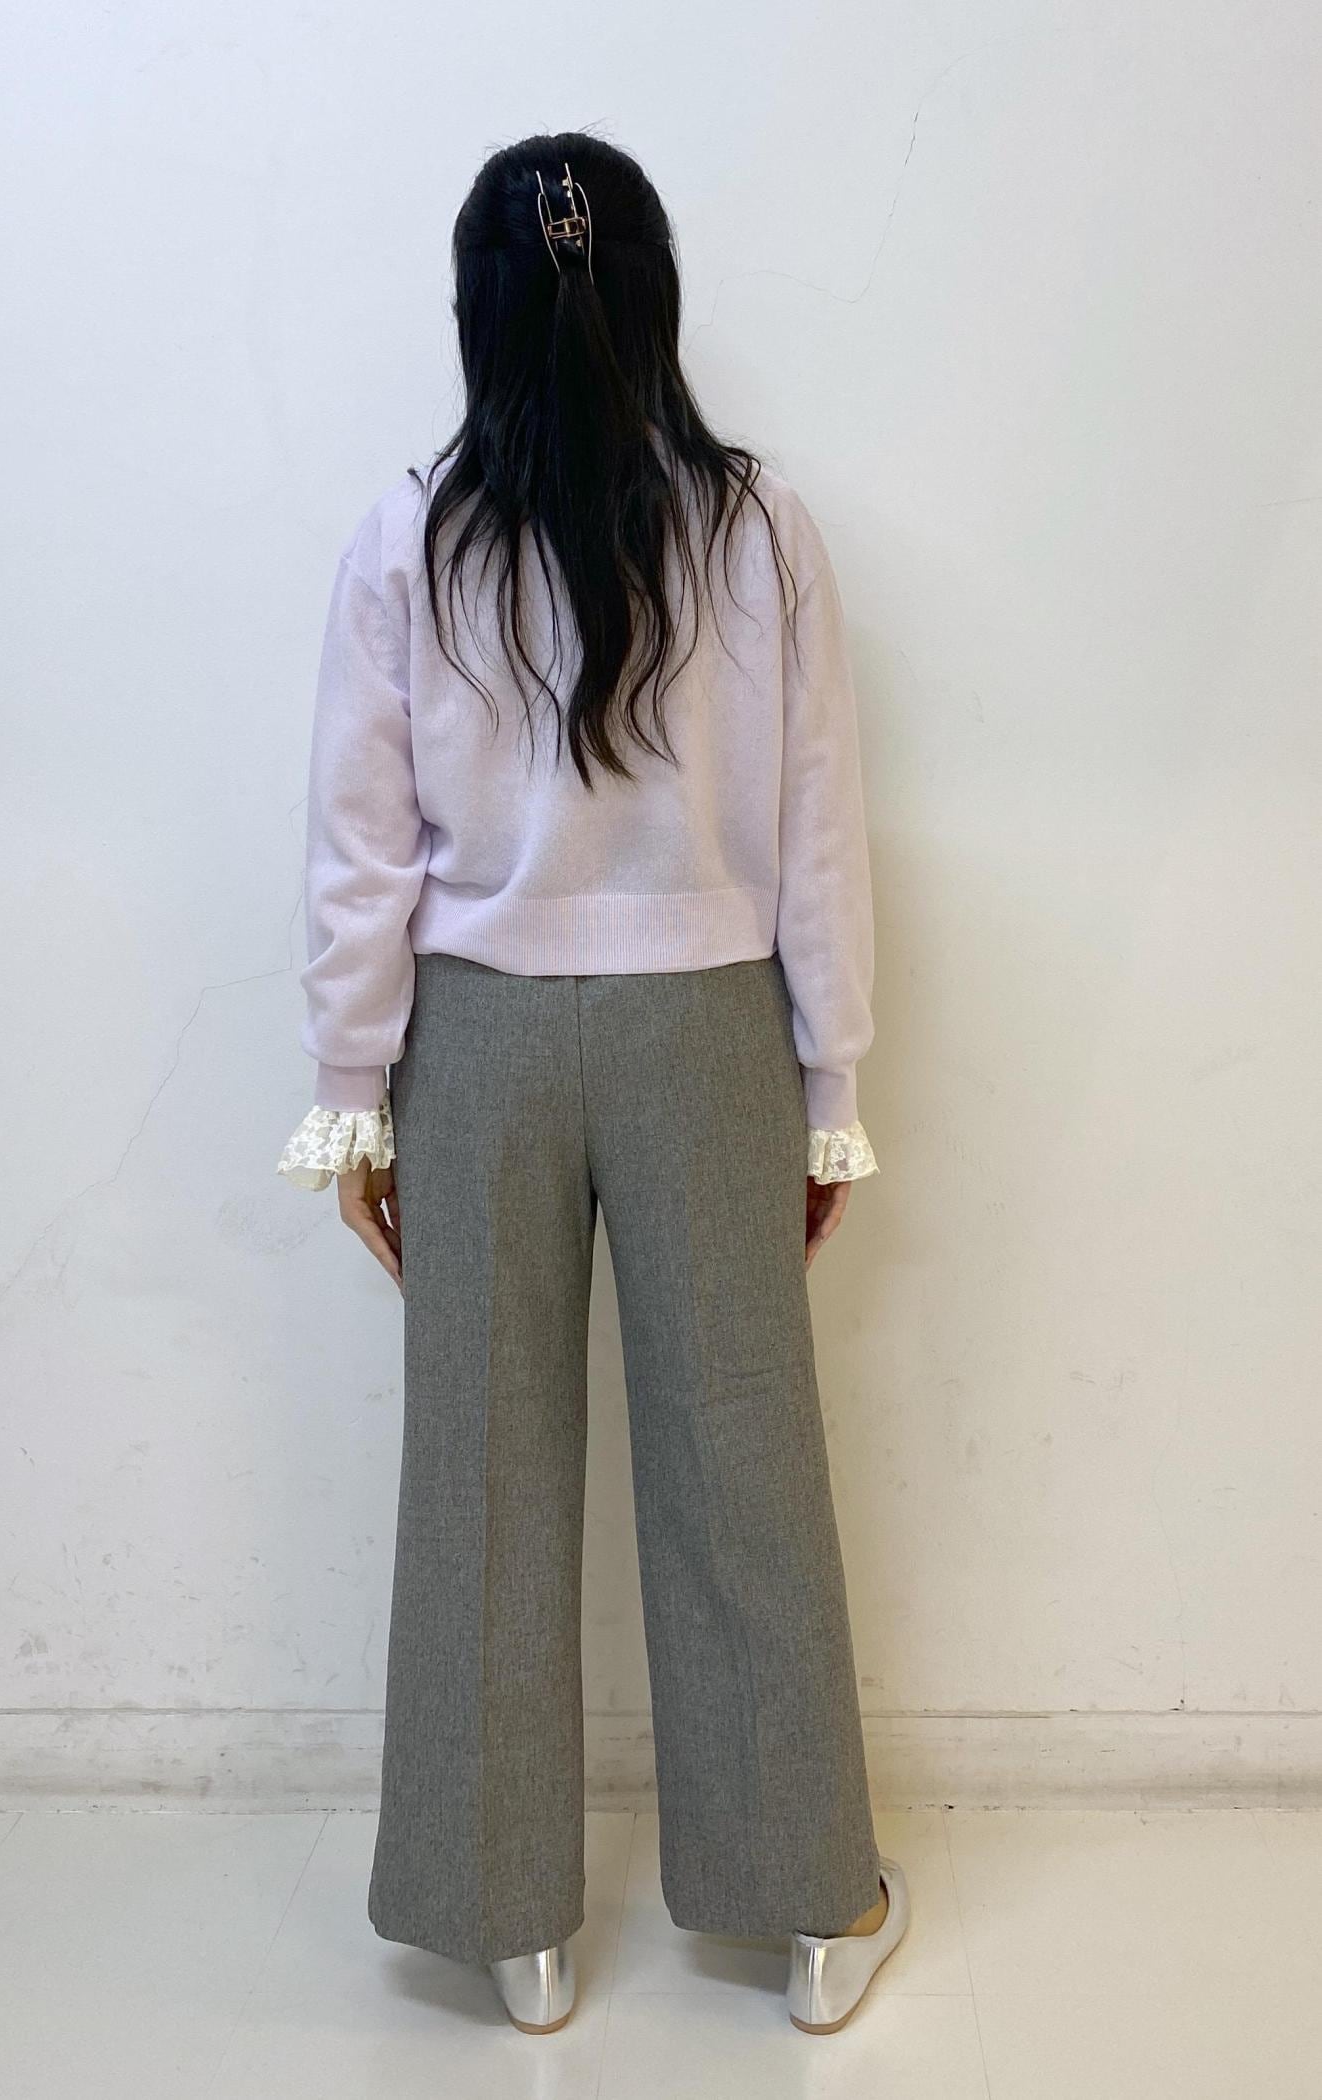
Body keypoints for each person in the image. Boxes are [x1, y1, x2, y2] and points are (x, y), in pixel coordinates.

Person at [275, 129, 909, 2037]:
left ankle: (512, 1929)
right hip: (708, 1028)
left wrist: (354, 1089)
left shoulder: (413, 535)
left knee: (476, 1465)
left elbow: (361, 849)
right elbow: (817, 831)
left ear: (478, 308)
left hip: (479, 1037)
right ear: (654, 294)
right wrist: (831, 1083)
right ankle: (810, 1910)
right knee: (743, 1459)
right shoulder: (758, 529)